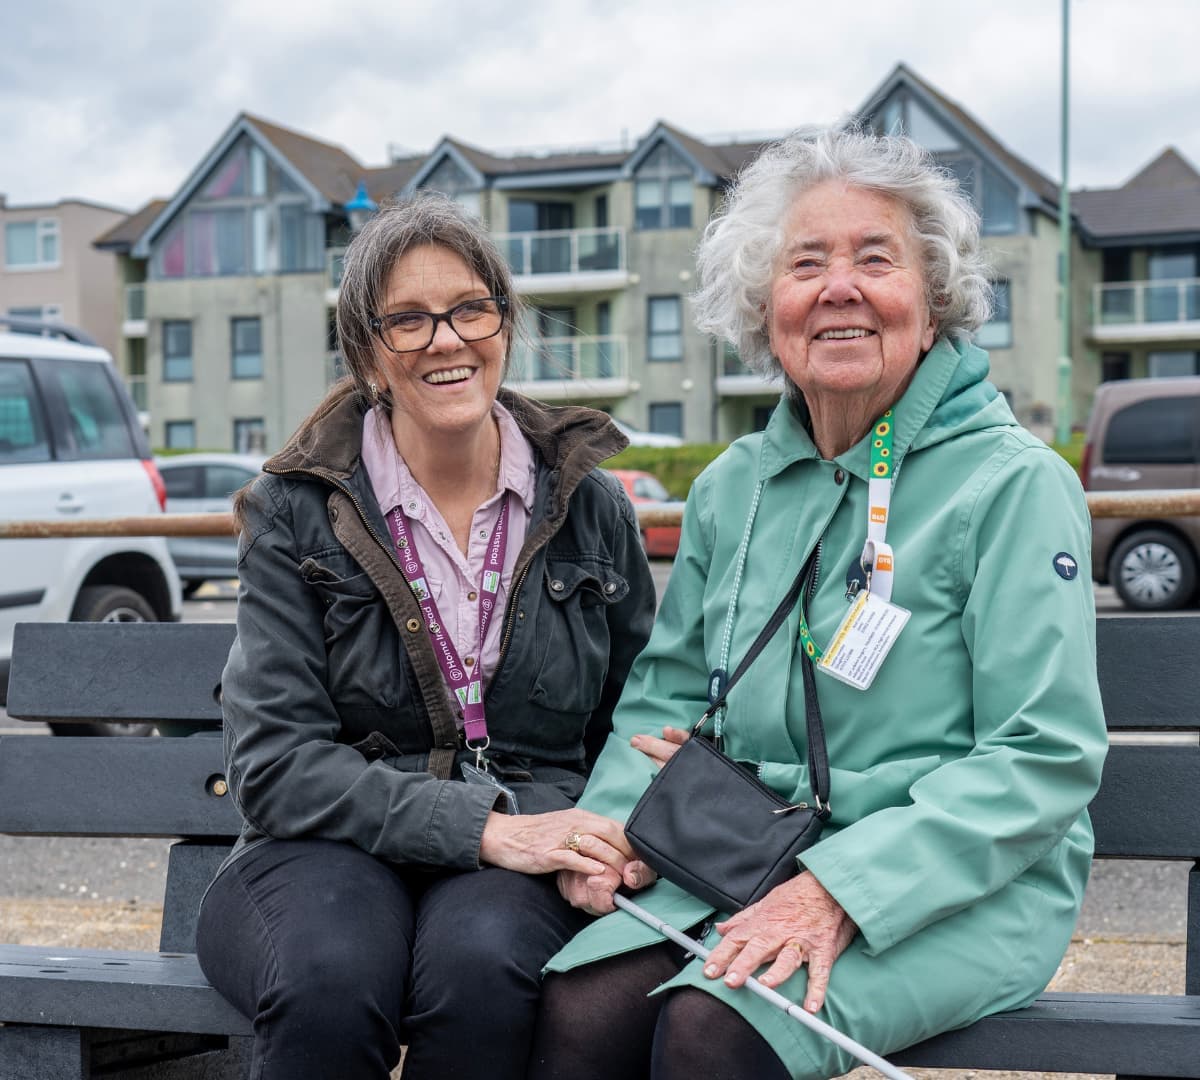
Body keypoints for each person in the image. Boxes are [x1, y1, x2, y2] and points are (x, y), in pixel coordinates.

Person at [528, 129, 1108, 1080]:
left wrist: (837, 888)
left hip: (957, 886)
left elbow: (1042, 756)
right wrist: (615, 835)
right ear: (769, 311)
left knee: (718, 1033)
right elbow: (666, 698)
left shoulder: (1013, 484)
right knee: (579, 1011)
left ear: (933, 305)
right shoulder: (734, 486)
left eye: (875, 259)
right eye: (806, 264)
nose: (840, 287)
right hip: (744, 850)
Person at [193, 193, 656, 1080]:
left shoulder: (591, 505)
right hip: (323, 847)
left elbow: (639, 718)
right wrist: (487, 829)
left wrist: (615, 837)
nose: (446, 340)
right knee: (330, 977)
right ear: (368, 351)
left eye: (469, 309)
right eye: (408, 320)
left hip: (532, 841)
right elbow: (274, 765)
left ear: (504, 322)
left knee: (484, 971)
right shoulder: (295, 509)